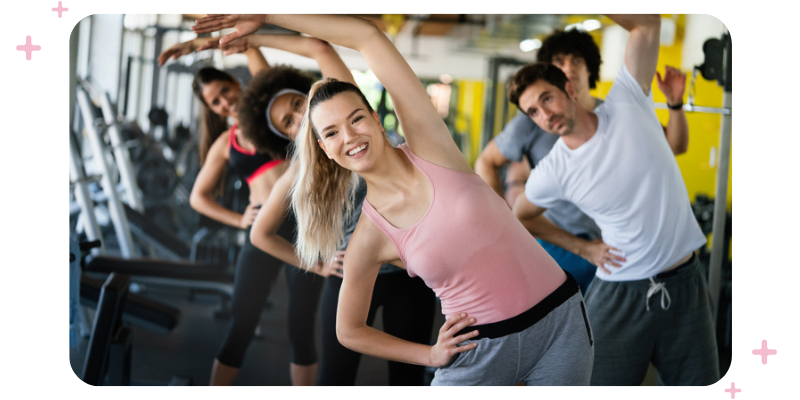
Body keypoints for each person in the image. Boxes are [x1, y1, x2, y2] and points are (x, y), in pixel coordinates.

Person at [193, 14, 594, 386]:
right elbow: (348, 330)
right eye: (331, 133)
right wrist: (430, 354)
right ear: (323, 149)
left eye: (356, 119)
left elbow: (368, 37)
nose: (349, 136)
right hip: (480, 349)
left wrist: (267, 18)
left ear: (374, 116)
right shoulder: (369, 236)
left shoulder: (431, 148)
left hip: (560, 323)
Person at [509, 15, 719, 385]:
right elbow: (521, 214)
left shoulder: (627, 100)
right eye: (534, 112)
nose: (545, 114)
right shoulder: (553, 170)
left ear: (569, 89)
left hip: (686, 281)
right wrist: (584, 248)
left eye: (547, 98)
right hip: (621, 287)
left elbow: (647, 25)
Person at [226, 36, 436, 385]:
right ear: (286, 137)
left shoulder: (358, 125)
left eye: (297, 103)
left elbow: (321, 49)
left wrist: (254, 36)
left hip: (408, 274)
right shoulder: (299, 171)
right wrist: (318, 264)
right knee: (335, 380)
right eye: (288, 122)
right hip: (350, 278)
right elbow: (260, 235)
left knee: (408, 380)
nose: (299, 116)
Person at [159, 34, 330, 386]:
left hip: (304, 225)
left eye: (225, 91)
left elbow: (249, 45)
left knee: (300, 328)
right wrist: (240, 220)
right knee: (241, 324)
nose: (224, 102)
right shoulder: (226, 142)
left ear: (237, 82)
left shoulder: (274, 111)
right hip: (262, 229)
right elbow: (198, 197)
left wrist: (197, 45)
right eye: (215, 101)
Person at [475, 27, 690, 294]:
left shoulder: (615, 112)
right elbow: (486, 161)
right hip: (561, 244)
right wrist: (504, 226)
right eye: (558, 61)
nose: (568, 67)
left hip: (616, 246)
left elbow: (675, 146)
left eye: (575, 60)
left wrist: (675, 104)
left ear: (590, 67)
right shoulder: (532, 122)